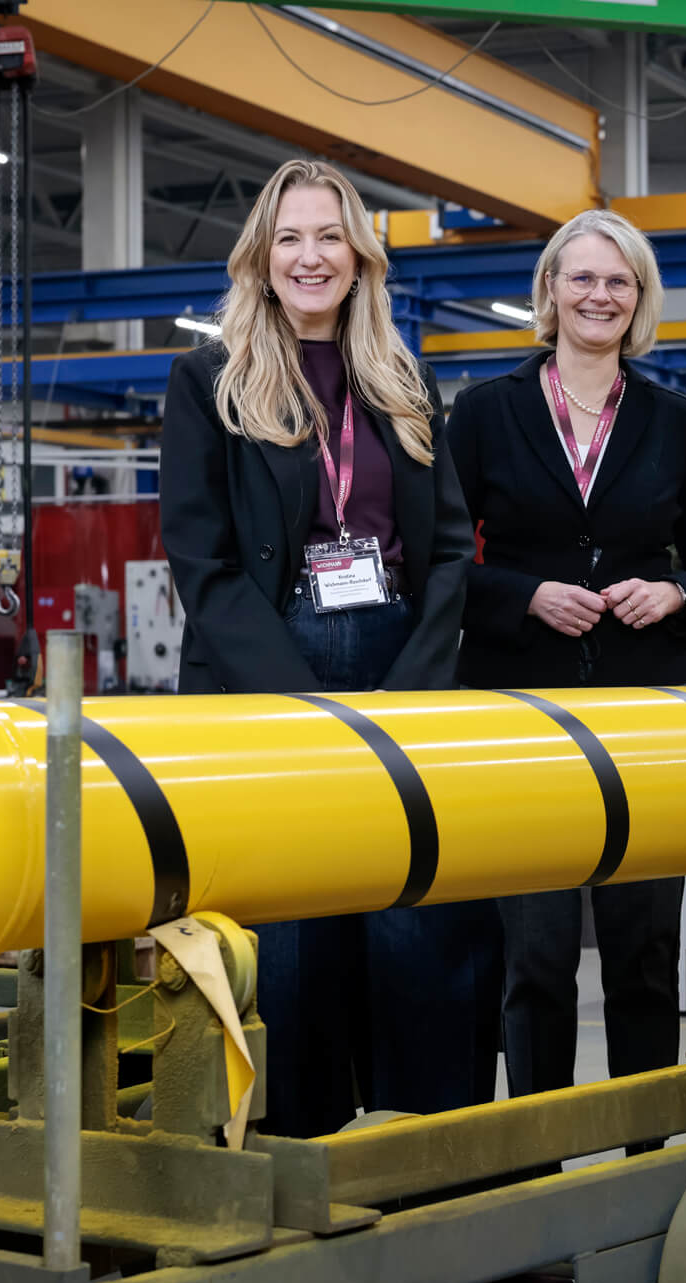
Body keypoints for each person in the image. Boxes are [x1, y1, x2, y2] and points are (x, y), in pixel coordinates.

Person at [160, 159, 498, 1138]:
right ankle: (295, 1156)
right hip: (268, 674)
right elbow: (203, 563)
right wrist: (297, 705)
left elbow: (448, 549)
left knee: (418, 926)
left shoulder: (403, 379)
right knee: (293, 941)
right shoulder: (207, 380)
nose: (310, 256)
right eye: (290, 238)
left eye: (329, 236)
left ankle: (430, 1151)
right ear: (261, 259)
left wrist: (412, 685)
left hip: (401, 664)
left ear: (360, 257)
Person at [446, 209, 686, 1127]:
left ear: (639, 299)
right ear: (549, 290)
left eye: (619, 281)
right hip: (522, 716)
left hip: (647, 716)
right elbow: (440, 563)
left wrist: (675, 594)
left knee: (643, 954)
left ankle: (646, 1164)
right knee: (535, 958)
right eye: (581, 277)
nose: (599, 295)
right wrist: (524, 596)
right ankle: (535, 1168)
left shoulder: (674, 421)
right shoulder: (485, 413)